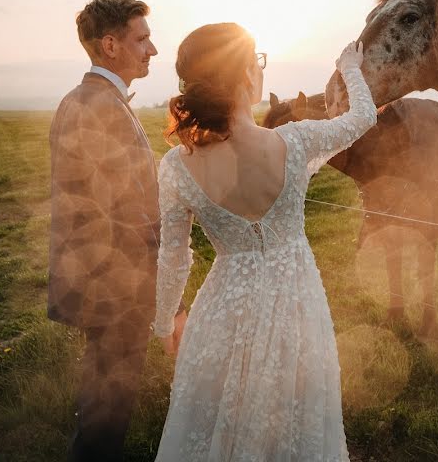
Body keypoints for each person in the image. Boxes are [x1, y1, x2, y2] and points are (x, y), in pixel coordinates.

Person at [152, 23, 376, 460]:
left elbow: (174, 257)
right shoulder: (294, 141)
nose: (261, 69)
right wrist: (349, 66)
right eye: (258, 59)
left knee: (220, 422)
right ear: (243, 75)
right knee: (291, 423)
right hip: (296, 305)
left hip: (222, 311)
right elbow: (363, 117)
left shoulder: (177, 166)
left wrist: (164, 324)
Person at [48, 0, 186, 462]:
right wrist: (173, 296)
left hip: (98, 280)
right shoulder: (103, 108)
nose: (152, 49)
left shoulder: (84, 99)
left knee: (103, 409)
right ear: (110, 45)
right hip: (115, 288)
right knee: (106, 416)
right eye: (142, 39)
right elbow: (136, 216)